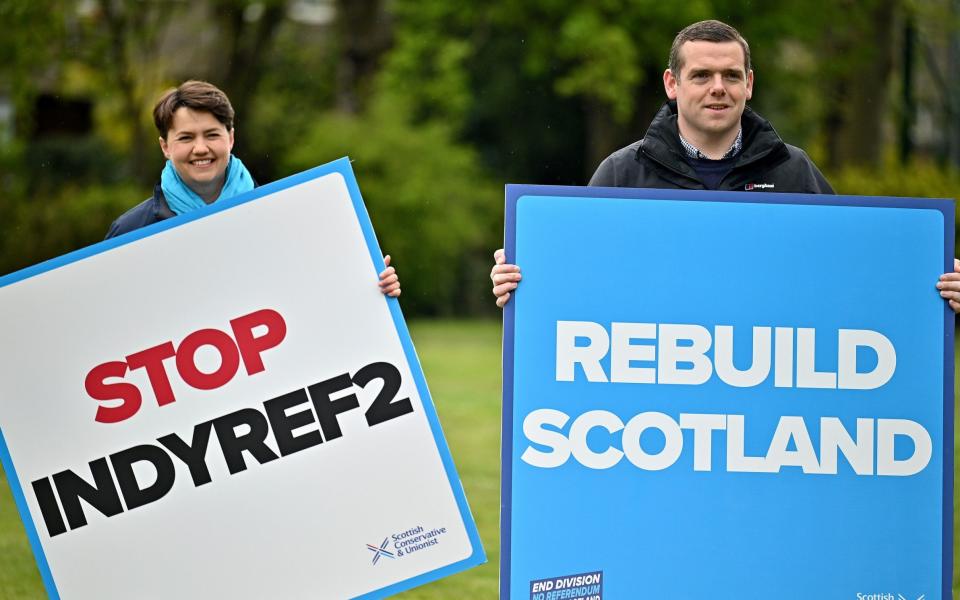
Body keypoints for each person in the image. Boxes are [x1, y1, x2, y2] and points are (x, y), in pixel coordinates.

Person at [491, 20, 958, 314]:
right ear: (672, 84)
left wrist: (928, 279)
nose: (718, 87)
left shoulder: (794, 171)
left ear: (749, 84)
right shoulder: (620, 174)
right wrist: (522, 278)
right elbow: (577, 276)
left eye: (731, 75)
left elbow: (848, 271)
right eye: (701, 75)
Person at [107, 80, 400, 297]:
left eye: (211, 135)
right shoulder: (130, 231)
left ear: (231, 138)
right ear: (165, 147)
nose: (200, 148)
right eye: (186, 138)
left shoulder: (283, 218)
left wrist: (373, 285)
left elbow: (320, 289)